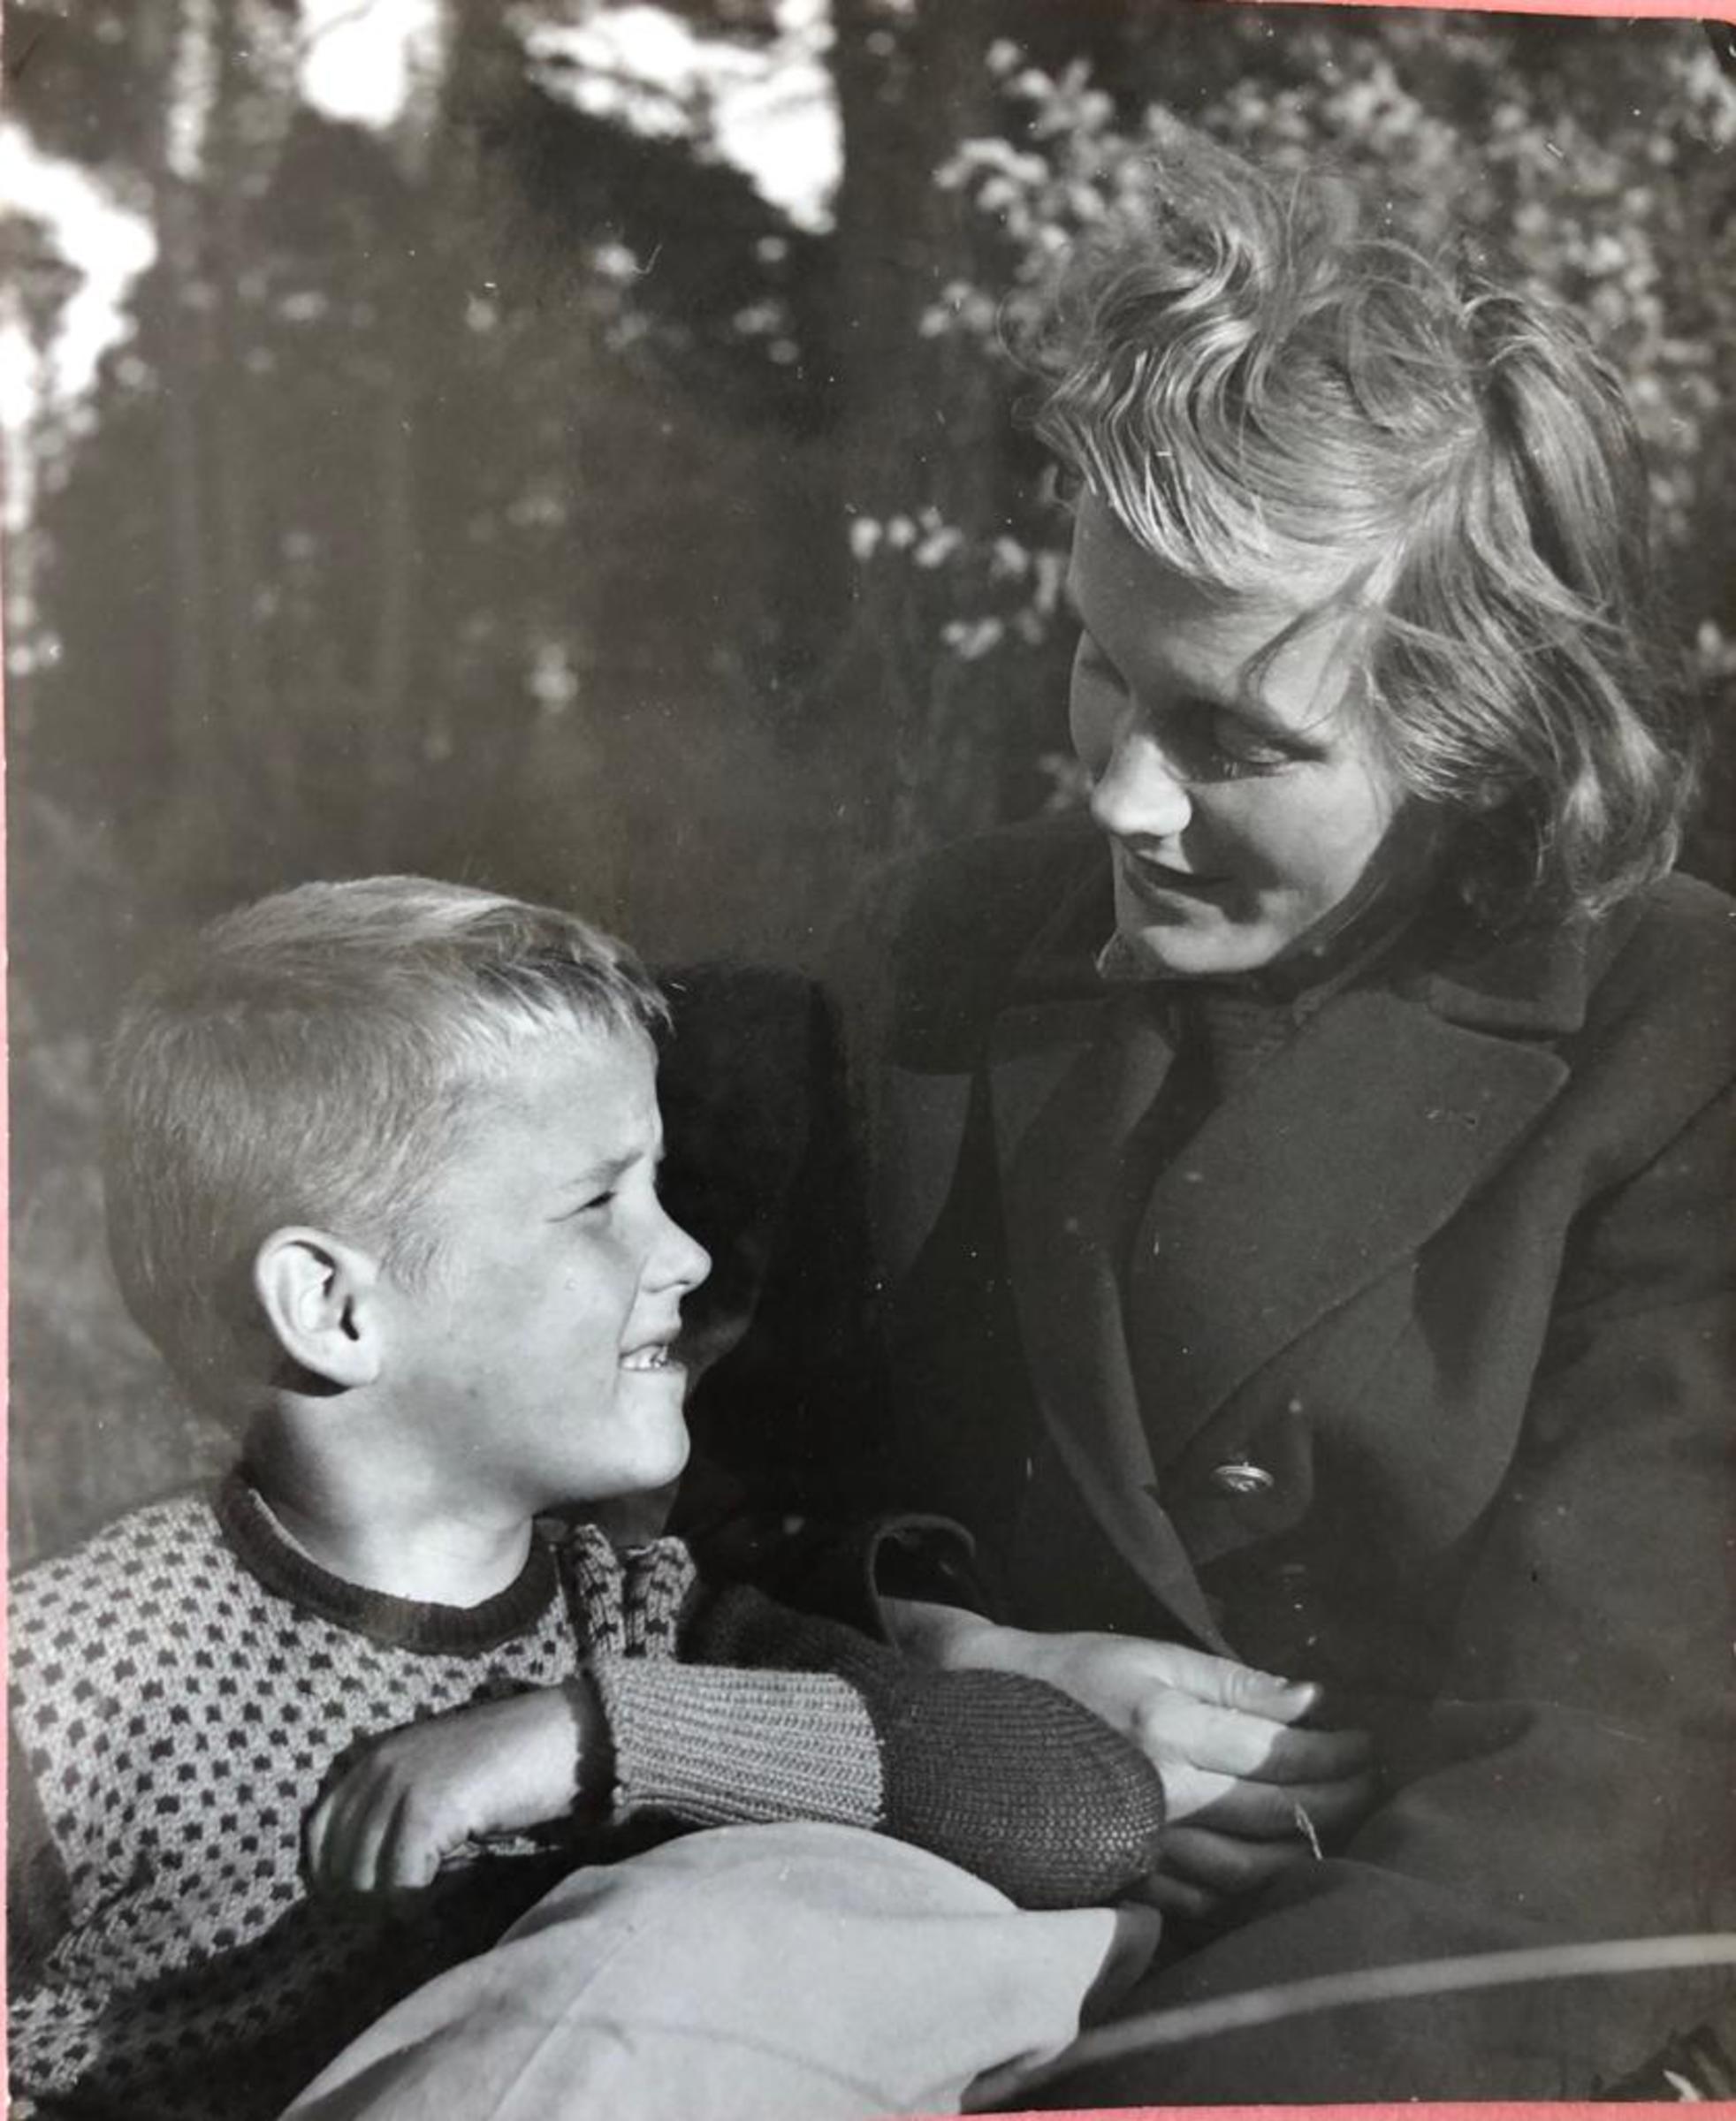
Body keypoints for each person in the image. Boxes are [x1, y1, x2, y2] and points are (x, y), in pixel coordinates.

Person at [689, 132, 1736, 2101]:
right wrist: (953, 1676)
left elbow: (1592, 1837)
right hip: (867, 1911)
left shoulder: (1682, 1042)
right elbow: (662, 1523)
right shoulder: (929, 956)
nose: (1120, 801)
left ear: (1481, 731)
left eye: (1238, 741)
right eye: (1101, 669)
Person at [5, 877, 1176, 2121]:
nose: (684, 1255)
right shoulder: (76, 1676)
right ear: (335, 1310)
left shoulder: (631, 1627)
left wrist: (585, 1738)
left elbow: (1094, 1808)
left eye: (657, 1190)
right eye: (596, 1203)